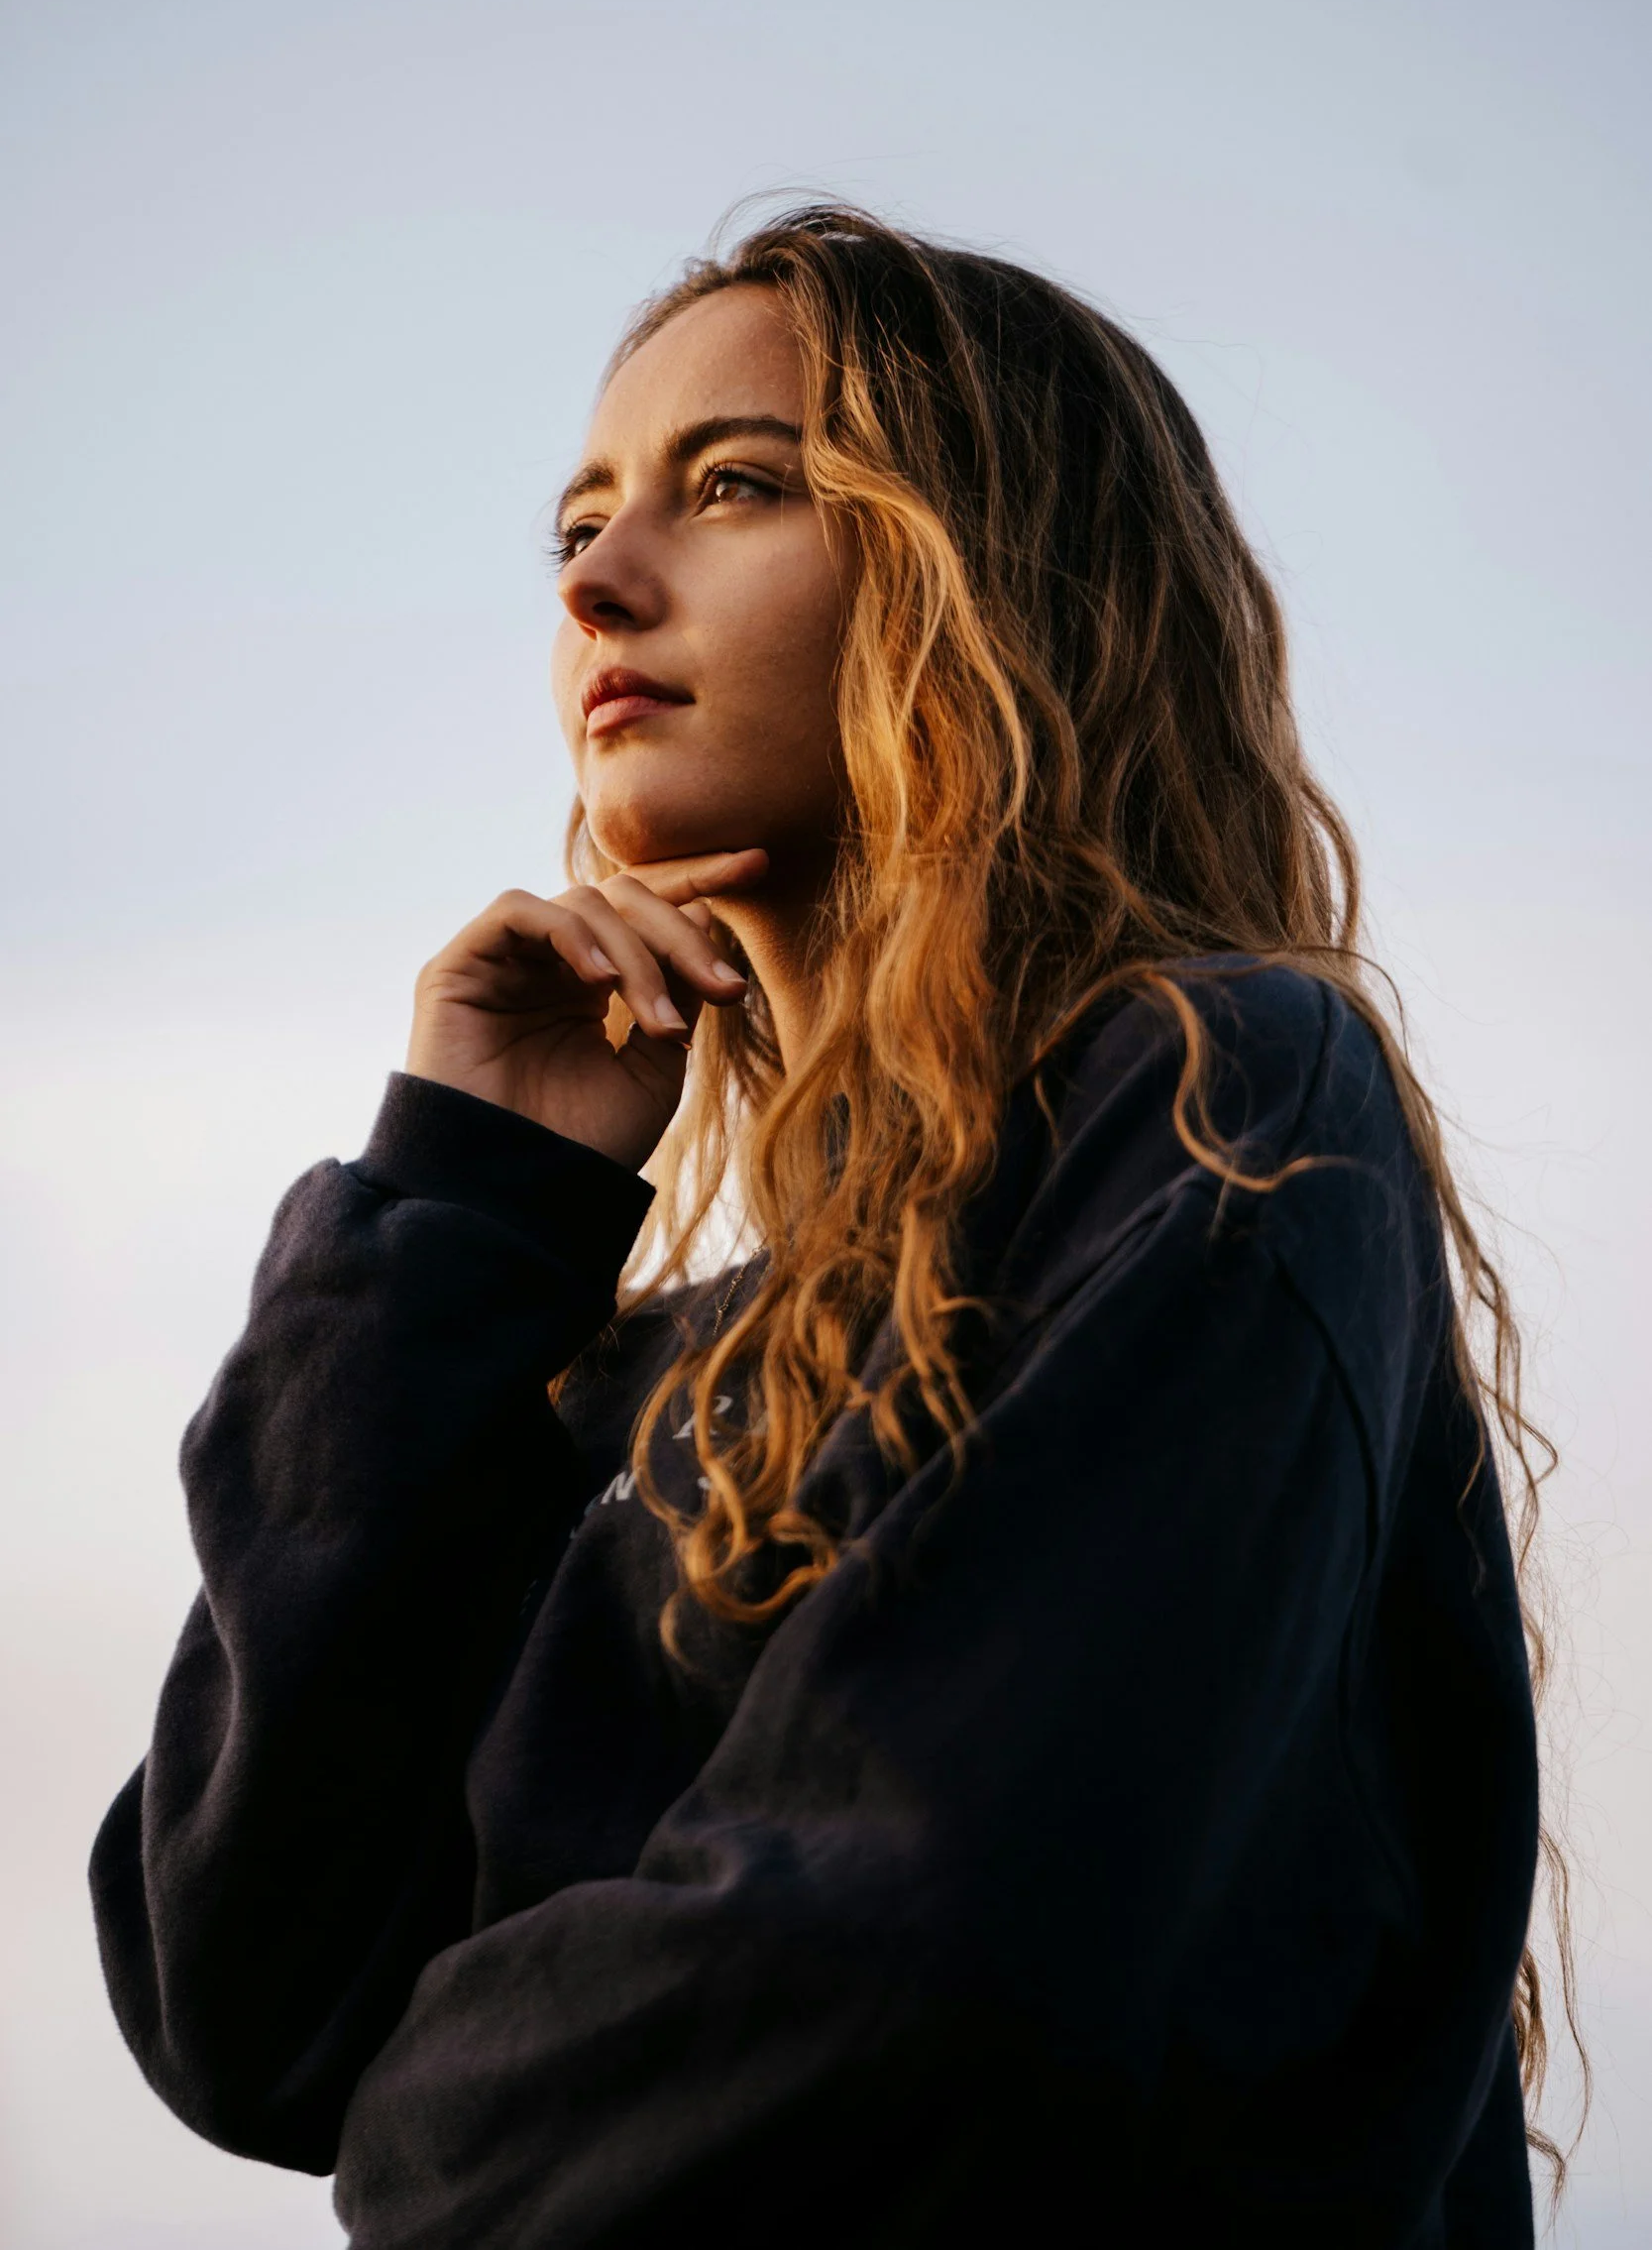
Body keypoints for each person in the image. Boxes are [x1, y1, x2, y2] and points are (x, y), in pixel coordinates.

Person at [91, 206, 1559, 2246]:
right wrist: (459, 1195)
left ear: (992, 569)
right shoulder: (640, 1363)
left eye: (738, 486)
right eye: (577, 524)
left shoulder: (1222, 1102)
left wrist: (423, 2133)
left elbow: (917, 1958)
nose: (601, 578)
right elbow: (249, 2001)